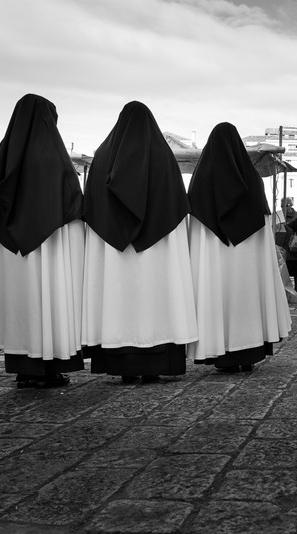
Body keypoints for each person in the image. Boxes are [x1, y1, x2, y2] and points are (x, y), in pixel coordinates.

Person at [81, 101, 199, 384]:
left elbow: (92, 204)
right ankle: (155, 364)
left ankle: (123, 365)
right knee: (157, 299)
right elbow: (176, 206)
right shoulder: (163, 156)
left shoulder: (102, 156)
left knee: (118, 300)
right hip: (158, 250)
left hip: (113, 251)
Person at [0, 94, 85, 389]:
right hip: (48, 243)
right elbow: (71, 199)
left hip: (11, 249)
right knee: (47, 300)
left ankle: (24, 369)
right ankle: (48, 367)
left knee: (19, 302)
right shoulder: (54, 153)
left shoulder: (5, 151)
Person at [188, 122, 291, 373]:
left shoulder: (201, 179)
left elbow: (196, 224)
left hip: (215, 256)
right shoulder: (252, 179)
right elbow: (264, 222)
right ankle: (248, 353)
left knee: (217, 298)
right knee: (247, 297)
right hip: (246, 258)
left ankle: (220, 352)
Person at [277, 197, 297, 292]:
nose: (283, 208)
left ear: (291, 206)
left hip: (294, 248)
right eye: (281, 205)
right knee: (283, 270)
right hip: (283, 248)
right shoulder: (279, 216)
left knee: (296, 270)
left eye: (286, 205)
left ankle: (296, 289)